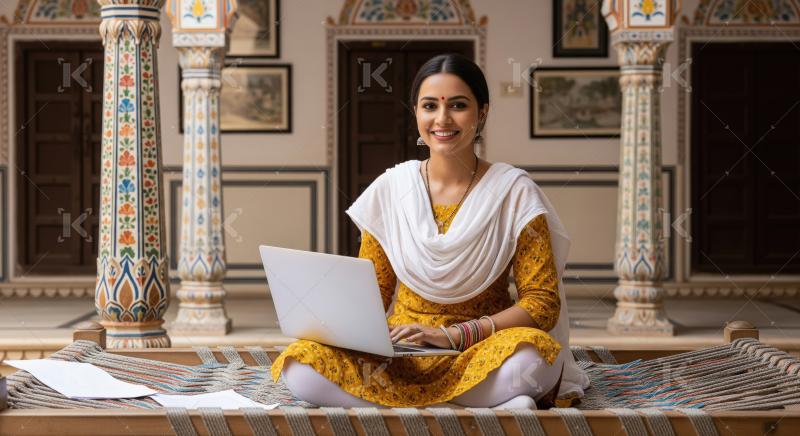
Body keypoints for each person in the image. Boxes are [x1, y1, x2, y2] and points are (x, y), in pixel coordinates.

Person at [271, 53, 589, 409]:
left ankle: (391, 407)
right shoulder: (392, 188)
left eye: (458, 105)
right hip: (402, 350)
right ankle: (474, 406)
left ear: (482, 113)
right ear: (416, 113)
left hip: (478, 348)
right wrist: (345, 326)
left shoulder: (513, 191)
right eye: (429, 106)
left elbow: (542, 304)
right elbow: (374, 292)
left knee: (537, 359)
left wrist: (452, 335)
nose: (442, 119)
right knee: (299, 365)